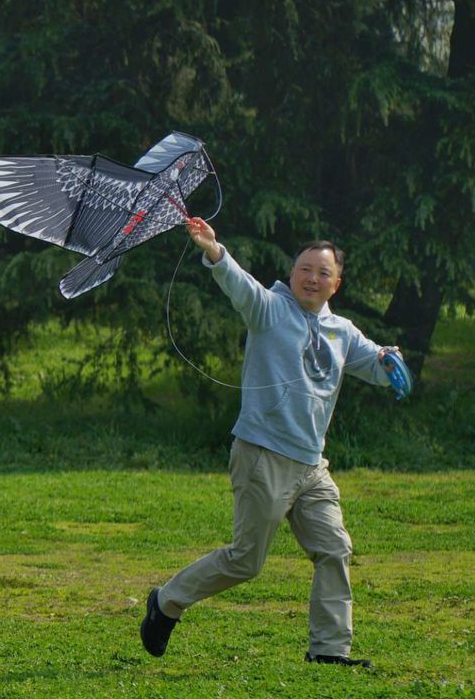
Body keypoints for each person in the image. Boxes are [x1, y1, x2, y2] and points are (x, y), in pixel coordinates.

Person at [141, 222, 403, 667]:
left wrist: (389, 363)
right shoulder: (270, 310)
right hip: (263, 455)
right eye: (305, 269)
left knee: (334, 549)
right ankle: (167, 601)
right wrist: (215, 252)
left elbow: (373, 363)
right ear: (292, 271)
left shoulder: (342, 330)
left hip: (311, 466)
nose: (312, 278)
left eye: (323, 273)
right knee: (246, 561)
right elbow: (240, 286)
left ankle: (329, 650)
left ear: (336, 284)